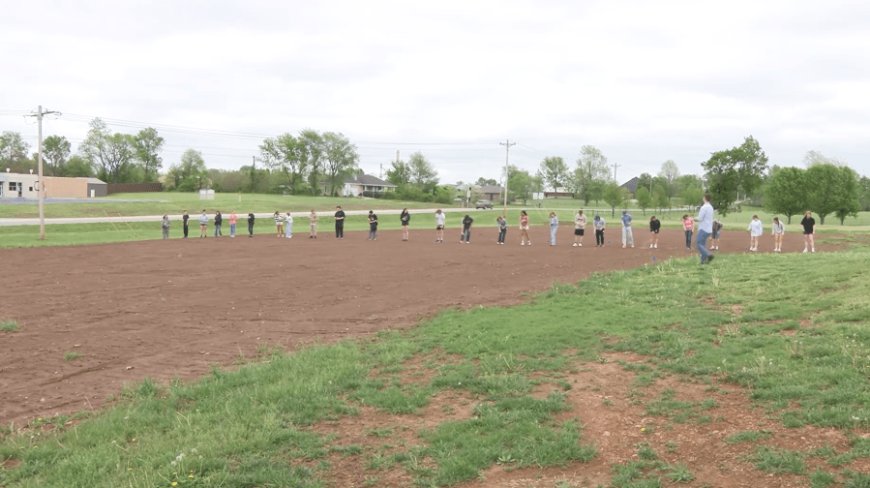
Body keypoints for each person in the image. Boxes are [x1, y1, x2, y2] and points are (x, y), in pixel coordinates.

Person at [695, 194, 715, 264]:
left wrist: (693, 219)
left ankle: (708, 255)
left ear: (704, 198)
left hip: (703, 228)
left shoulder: (704, 207)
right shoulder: (711, 207)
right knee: (702, 245)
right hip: (709, 229)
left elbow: (700, 218)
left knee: (698, 243)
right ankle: (703, 261)